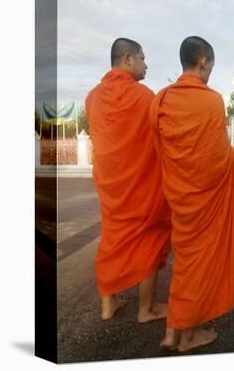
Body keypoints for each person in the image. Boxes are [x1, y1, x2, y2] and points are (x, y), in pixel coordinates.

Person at [150, 36, 234, 352]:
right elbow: (216, 157)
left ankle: (172, 330)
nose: (210, 74)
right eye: (211, 67)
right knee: (199, 265)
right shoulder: (212, 100)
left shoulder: (161, 99)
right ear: (203, 62)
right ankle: (188, 336)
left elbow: (159, 150)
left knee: (186, 262)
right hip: (206, 198)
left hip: (179, 195)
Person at [85, 38, 172, 323]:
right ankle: (146, 309)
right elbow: (163, 136)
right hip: (142, 187)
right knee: (149, 238)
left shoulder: (92, 97)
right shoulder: (144, 97)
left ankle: (108, 305)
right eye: (143, 58)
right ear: (127, 59)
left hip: (112, 188)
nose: (146, 64)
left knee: (112, 239)